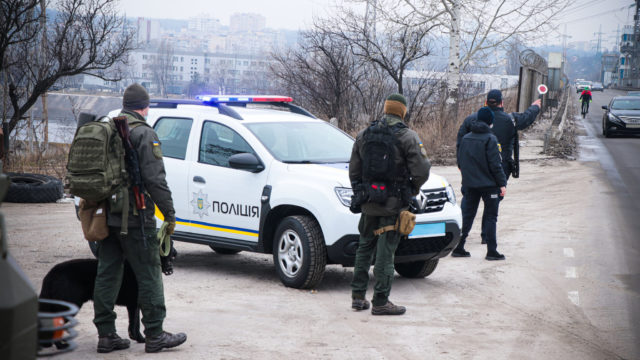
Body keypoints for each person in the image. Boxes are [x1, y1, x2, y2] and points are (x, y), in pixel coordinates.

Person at [93, 83, 186, 353]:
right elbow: (155, 179)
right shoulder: (144, 133)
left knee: (107, 273)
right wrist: (169, 213)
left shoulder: (107, 128)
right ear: (144, 107)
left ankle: (106, 334)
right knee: (149, 273)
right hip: (136, 217)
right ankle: (155, 333)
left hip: (106, 215)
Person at [349, 93, 431, 315]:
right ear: (402, 112)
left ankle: (358, 298)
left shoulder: (364, 135)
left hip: (368, 203)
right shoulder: (408, 137)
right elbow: (422, 170)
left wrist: (362, 193)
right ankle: (381, 302)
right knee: (386, 253)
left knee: (364, 248)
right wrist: (411, 189)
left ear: (386, 110)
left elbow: (354, 171)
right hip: (393, 205)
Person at [456, 89, 540, 244]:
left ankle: (459, 238)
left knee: (468, 204)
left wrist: (461, 165)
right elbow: (526, 119)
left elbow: (460, 143)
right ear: (502, 102)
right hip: (499, 170)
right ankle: (486, 237)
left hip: (473, 170)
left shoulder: (471, 119)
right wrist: (535, 107)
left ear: (486, 102)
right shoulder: (510, 120)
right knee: (491, 206)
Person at [453, 107, 507, 260]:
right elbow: (495, 165)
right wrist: (502, 183)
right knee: (491, 217)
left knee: (467, 215)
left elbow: (461, 161)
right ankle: (491, 251)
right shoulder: (491, 139)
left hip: (470, 184)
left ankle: (459, 247)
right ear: (490, 122)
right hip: (489, 185)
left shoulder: (466, 138)